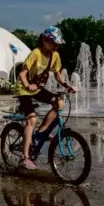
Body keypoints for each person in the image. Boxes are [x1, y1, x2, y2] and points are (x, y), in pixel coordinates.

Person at [15, 26, 76, 169]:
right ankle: (25, 158)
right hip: (24, 89)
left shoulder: (55, 55)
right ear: (45, 41)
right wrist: (28, 85)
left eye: (58, 44)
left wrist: (67, 86)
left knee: (59, 103)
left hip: (37, 88)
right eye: (55, 43)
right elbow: (22, 74)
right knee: (32, 119)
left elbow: (57, 74)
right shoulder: (35, 53)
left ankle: (41, 132)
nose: (57, 46)